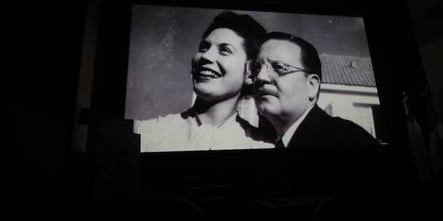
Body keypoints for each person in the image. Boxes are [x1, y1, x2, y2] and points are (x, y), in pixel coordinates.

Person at [134, 11, 274, 152]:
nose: (205, 56)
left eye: (225, 50)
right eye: (203, 48)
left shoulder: (262, 146)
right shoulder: (145, 134)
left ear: (250, 73)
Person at [251, 32, 379, 148]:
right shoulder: (268, 141)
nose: (260, 77)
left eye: (278, 67)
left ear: (312, 86)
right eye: (256, 69)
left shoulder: (348, 138)